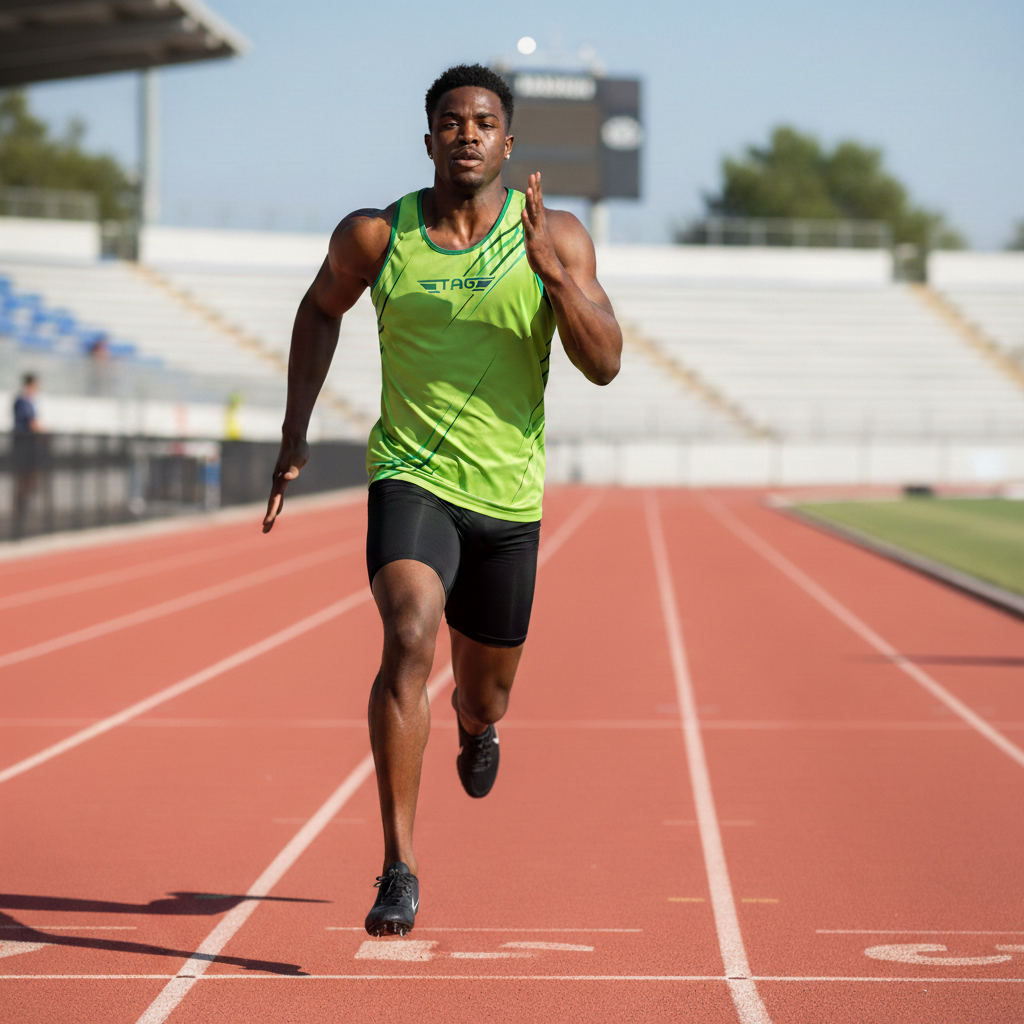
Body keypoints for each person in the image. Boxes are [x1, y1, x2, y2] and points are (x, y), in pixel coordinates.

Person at [262, 64, 622, 936]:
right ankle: (398, 865)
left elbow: (605, 361)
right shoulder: (380, 236)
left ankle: (473, 724)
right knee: (410, 630)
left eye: (484, 121)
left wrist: (555, 277)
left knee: (484, 691)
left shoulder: (557, 236)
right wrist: (295, 431)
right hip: (411, 476)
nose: (467, 133)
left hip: (507, 498)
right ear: (428, 140)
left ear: (508, 142)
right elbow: (320, 310)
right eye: (451, 121)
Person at [12, 373, 43, 538]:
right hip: (24, 449)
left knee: (30, 481)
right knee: (24, 481)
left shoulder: (28, 402)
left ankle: (22, 514)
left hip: (29, 449)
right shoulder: (23, 401)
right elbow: (32, 423)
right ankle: (19, 517)